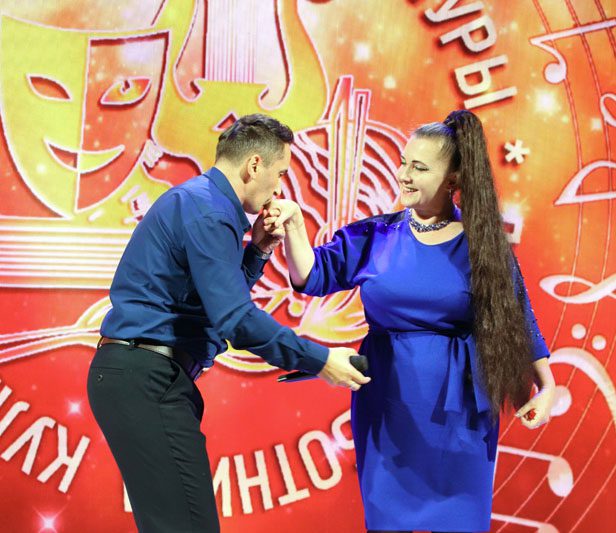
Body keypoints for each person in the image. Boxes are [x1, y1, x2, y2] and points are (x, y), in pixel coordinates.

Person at [264, 110, 556, 533]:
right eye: (403, 163)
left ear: (453, 180)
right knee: (388, 521)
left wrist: (547, 386)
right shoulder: (375, 236)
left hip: (461, 415)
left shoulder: (484, 247)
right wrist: (293, 225)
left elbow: (518, 318)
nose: (403, 174)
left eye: (419, 167)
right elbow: (311, 275)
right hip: (388, 408)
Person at [86, 114, 370, 533]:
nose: (280, 188)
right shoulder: (209, 212)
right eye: (281, 173)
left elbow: (210, 305)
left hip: (144, 376)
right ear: (254, 165)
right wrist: (321, 360)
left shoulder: (204, 203)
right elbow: (235, 319)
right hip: (146, 378)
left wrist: (258, 250)